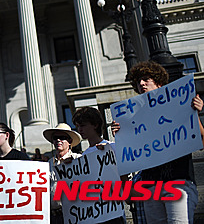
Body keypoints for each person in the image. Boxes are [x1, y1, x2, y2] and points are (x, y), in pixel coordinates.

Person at [112, 61, 203, 224]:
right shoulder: (133, 118)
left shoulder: (179, 106)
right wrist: (121, 135)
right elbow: (127, 156)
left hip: (177, 181)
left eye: (146, 79)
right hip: (150, 187)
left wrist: (194, 114)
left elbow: (201, 140)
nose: (141, 84)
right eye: (138, 82)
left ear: (159, 83)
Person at [73, 107, 126, 224]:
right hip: (94, 213)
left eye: (83, 125)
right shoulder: (83, 156)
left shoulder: (112, 147)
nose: (80, 129)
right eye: (77, 126)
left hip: (114, 210)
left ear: (95, 125)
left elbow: (124, 175)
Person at [43, 123, 82, 224]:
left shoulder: (78, 159)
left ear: (69, 141)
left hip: (75, 213)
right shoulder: (48, 164)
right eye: (55, 138)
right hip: (54, 216)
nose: (58, 140)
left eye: (62, 137)